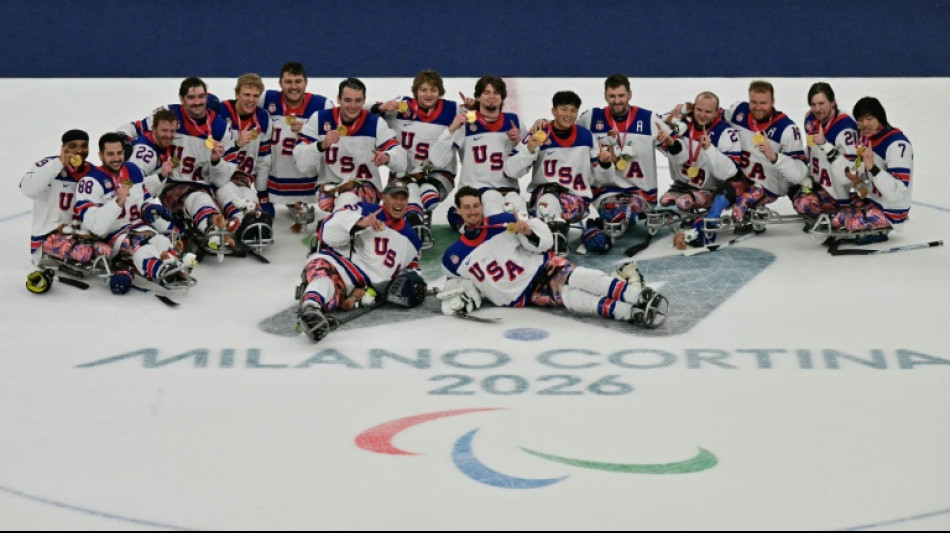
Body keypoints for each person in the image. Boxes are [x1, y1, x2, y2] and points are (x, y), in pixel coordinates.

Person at [438, 186, 668, 328]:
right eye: (466, 207)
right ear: (458, 210)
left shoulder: (504, 221)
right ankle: (631, 313)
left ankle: (637, 295)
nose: (472, 211)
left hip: (543, 266)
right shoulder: (452, 258)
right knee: (576, 300)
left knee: (583, 277)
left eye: (475, 206)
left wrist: (528, 231)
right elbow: (456, 288)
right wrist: (460, 299)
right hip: (523, 295)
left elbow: (545, 242)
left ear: (482, 206)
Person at [296, 180, 426, 342]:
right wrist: (358, 223)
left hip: (369, 288)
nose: (399, 203)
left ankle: (333, 299)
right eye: (394, 197)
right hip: (342, 266)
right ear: (384, 198)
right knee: (322, 272)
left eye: (403, 198)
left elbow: (412, 268)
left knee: (333, 294)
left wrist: (410, 282)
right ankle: (311, 308)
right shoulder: (365, 210)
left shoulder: (413, 238)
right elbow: (327, 230)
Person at [119, 77, 237, 251]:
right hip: (171, 183)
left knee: (218, 194)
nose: (197, 102)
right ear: (181, 99)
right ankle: (210, 228)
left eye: (201, 96)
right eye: (191, 97)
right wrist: (122, 137)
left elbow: (221, 179)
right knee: (195, 198)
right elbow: (135, 127)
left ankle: (218, 223)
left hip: (202, 185)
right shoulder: (168, 114)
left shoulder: (221, 128)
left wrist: (216, 161)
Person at [73, 133, 194, 294]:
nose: (116, 158)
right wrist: (118, 202)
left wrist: (149, 208)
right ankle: (162, 272)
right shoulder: (90, 182)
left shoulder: (132, 170)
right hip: (114, 237)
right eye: (110, 154)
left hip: (140, 228)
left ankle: (175, 264)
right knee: (141, 250)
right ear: (101, 155)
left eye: (119, 153)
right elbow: (95, 226)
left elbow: (143, 200)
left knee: (161, 241)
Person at [371, 70, 462, 245]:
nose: (428, 94)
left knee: (428, 193)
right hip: (404, 173)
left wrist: (475, 105)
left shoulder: (452, 111)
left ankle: (417, 216)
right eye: (424, 89)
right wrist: (380, 108)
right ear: (416, 91)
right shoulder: (401, 106)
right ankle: (414, 221)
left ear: (440, 92)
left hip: (439, 173)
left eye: (433, 90)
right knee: (410, 188)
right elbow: (366, 115)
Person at [576, 74, 671, 241]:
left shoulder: (648, 119)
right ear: (605, 96)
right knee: (615, 211)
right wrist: (543, 123)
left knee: (624, 211)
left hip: (640, 192)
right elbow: (564, 130)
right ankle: (612, 219)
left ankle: (615, 220)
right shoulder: (590, 118)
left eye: (621, 95)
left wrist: (671, 143)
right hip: (605, 191)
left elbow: (679, 152)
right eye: (612, 96)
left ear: (630, 94)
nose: (617, 100)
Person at [503, 90, 599, 255]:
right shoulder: (538, 134)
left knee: (548, 203)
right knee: (546, 202)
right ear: (553, 111)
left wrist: (605, 164)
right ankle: (555, 241)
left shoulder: (587, 137)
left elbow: (601, 174)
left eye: (573, 110)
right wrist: (529, 150)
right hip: (543, 198)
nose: (568, 114)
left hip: (576, 200)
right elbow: (510, 171)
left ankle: (554, 237)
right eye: (563, 109)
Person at [293, 77, 407, 214]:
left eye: (358, 101)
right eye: (348, 100)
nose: (353, 106)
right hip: (330, 190)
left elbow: (401, 160)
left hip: (366, 189)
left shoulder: (375, 123)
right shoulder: (319, 119)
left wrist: (388, 157)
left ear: (364, 101)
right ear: (338, 99)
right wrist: (321, 145)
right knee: (344, 209)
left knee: (347, 200)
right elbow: (301, 163)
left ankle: (337, 223)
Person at [429, 75, 524, 229]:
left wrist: (518, 143)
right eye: (486, 92)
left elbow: (525, 167)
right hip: (475, 191)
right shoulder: (466, 122)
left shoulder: (514, 122)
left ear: (502, 98)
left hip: (508, 190)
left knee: (523, 219)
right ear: (478, 97)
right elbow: (436, 160)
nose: (491, 96)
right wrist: (452, 128)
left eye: (496, 93)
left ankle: (465, 220)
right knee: (497, 220)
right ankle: (469, 220)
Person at [712, 80, 810, 229]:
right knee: (719, 190)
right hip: (743, 177)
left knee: (739, 208)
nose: (758, 107)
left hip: (769, 184)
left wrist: (773, 156)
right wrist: (687, 110)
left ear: (773, 102)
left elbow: (799, 174)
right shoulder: (738, 111)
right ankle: (710, 220)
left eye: (763, 103)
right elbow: (712, 115)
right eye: (754, 102)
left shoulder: (787, 129)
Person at [260, 62, 334, 232]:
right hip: (274, 182)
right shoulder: (267, 99)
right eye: (288, 82)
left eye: (298, 81)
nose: (293, 87)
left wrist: (310, 128)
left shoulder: (322, 105)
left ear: (306, 82)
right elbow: (242, 104)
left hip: (308, 182)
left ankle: (297, 201)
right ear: (280, 83)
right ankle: (267, 196)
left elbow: (338, 134)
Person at [832, 96, 913, 240]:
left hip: (891, 208)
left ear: (879, 117)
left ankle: (882, 229)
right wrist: (855, 175)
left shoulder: (897, 144)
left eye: (869, 118)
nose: (864, 124)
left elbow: (897, 192)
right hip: (872, 200)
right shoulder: (865, 139)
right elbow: (859, 172)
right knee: (837, 220)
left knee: (851, 223)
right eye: (860, 120)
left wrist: (872, 167)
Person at [216, 73, 276, 251]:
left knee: (249, 197)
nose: (251, 100)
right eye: (246, 95)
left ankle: (254, 220)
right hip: (218, 174)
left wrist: (262, 193)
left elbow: (263, 160)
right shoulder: (220, 112)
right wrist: (236, 144)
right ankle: (238, 220)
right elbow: (209, 149)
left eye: (255, 96)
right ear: (237, 94)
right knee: (228, 192)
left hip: (243, 177)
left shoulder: (263, 118)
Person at [657, 91, 741, 213]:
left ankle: (712, 202)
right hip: (681, 185)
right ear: (693, 108)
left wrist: (709, 149)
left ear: (716, 112)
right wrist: (671, 117)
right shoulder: (681, 123)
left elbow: (729, 173)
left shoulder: (725, 133)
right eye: (699, 110)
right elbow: (654, 124)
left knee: (683, 203)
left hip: (709, 189)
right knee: (664, 201)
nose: (702, 115)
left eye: (708, 112)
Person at [19, 129, 92, 263]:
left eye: (84, 146)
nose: (79, 150)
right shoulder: (48, 165)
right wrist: (59, 163)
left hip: (79, 235)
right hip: (47, 237)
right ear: (63, 148)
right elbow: (28, 189)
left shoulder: (92, 172)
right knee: (85, 253)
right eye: (73, 146)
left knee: (106, 250)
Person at [795, 82, 859, 223]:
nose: (817, 109)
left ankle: (845, 211)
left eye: (821, 103)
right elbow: (812, 151)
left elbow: (852, 174)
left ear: (832, 102)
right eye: (813, 104)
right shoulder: (810, 119)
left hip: (839, 194)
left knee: (803, 203)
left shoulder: (845, 129)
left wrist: (826, 145)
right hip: (818, 183)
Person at [127, 108, 179, 198]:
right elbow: (130, 189)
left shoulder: (161, 144)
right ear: (154, 129)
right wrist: (160, 176)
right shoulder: (146, 152)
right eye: (164, 131)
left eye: (172, 131)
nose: (169, 135)